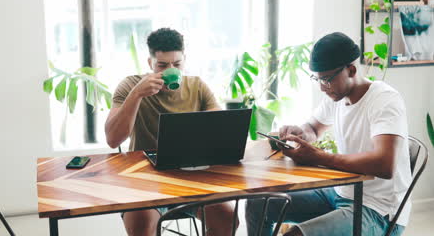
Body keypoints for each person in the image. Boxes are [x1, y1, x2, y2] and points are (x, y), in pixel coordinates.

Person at [246, 32, 411, 236]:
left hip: (379, 211)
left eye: (326, 79)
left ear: (351, 70)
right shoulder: (337, 95)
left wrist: (319, 157)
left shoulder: (384, 100)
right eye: (317, 78)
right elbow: (314, 129)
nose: (322, 87)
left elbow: (385, 165)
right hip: (340, 193)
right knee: (259, 203)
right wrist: (300, 133)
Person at [105, 28, 237, 236]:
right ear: (150, 63)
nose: (170, 70)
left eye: (177, 64)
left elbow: (220, 131)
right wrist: (137, 94)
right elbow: (113, 139)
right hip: (144, 180)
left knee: (228, 220)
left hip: (191, 178)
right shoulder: (130, 86)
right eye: (162, 65)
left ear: (185, 61)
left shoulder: (197, 86)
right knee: (143, 228)